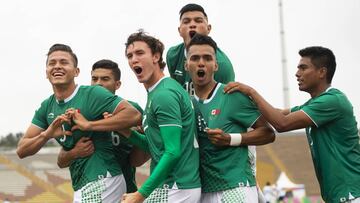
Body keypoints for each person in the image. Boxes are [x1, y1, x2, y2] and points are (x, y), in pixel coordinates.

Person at [224, 46, 360, 203]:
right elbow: (277, 113)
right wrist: (240, 107)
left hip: (351, 194)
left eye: (303, 68)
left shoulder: (332, 101)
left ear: (322, 72)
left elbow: (281, 123)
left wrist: (251, 92)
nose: (297, 73)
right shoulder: (314, 104)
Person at [16, 44, 141, 202]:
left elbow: (133, 114)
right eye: (52, 63)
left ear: (76, 72)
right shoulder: (47, 107)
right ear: (46, 72)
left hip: (104, 178)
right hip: (81, 184)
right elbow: (21, 150)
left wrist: (89, 125)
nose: (58, 66)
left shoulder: (93, 94)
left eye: (64, 62)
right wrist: (46, 135)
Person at [185, 34, 275, 203]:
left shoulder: (232, 94)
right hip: (203, 191)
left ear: (216, 65)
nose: (201, 62)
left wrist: (230, 139)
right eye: (195, 58)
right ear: (186, 64)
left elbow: (268, 133)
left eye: (207, 58)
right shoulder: (185, 102)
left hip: (236, 187)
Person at [120, 30, 201, 203]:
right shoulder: (156, 92)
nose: (134, 59)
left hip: (177, 187)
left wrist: (140, 194)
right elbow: (155, 148)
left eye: (140, 53)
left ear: (156, 57)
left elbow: (172, 152)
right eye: (129, 55)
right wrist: (125, 131)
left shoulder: (164, 94)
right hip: (174, 187)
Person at [57, 59, 150, 193]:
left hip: (125, 193)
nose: (98, 83)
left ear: (117, 84)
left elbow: (137, 161)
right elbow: (61, 161)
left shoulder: (132, 111)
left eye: (105, 79)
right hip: (89, 192)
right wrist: (74, 152)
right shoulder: (79, 112)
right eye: (94, 79)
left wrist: (134, 134)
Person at [166, 3, 234, 95]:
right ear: (179, 30)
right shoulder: (172, 55)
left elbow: (227, 102)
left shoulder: (222, 65)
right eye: (186, 22)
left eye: (198, 21)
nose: (192, 25)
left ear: (208, 28)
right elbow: (177, 94)